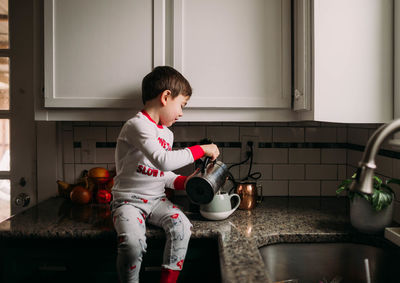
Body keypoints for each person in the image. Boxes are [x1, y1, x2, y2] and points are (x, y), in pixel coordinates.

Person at [111, 66, 219, 283]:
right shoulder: (137, 125)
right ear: (165, 97)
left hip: (157, 201)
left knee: (182, 226)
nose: (181, 113)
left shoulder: (166, 134)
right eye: (182, 105)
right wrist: (202, 148)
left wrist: (185, 182)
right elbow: (163, 159)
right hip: (128, 202)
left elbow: (162, 172)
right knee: (132, 243)